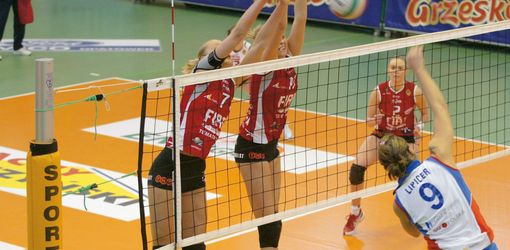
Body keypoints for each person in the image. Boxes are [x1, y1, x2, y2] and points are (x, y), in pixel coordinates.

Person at [147, 1, 268, 249]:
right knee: (165, 245)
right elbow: (237, 35)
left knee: (195, 245)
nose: (226, 51)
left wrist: (281, 8)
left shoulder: (230, 82)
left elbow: (262, 44)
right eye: (217, 49)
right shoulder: (201, 73)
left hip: (195, 167)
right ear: (203, 58)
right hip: (171, 164)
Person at [379, 45, 497, 250]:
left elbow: (414, 232)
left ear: (386, 167)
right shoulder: (439, 159)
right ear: (409, 149)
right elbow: (440, 107)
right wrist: (419, 69)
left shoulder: (399, 203)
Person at [233, 0, 307, 249]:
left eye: (285, 38)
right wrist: (283, 3)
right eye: (279, 37)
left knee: (273, 215)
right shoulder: (264, 65)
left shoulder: (290, 58)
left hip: (272, 145)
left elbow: (300, 20)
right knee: (266, 217)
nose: (284, 40)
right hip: (251, 144)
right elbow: (278, 27)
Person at [343, 54, 430, 235]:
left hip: (406, 137)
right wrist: (373, 119)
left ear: (405, 71)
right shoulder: (379, 91)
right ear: (388, 70)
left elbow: (425, 115)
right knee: (356, 169)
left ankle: (422, 215)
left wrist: (418, 127)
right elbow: (368, 120)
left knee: (415, 176)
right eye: (392, 68)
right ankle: (355, 212)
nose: (396, 71)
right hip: (382, 135)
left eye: (399, 68)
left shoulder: (415, 91)